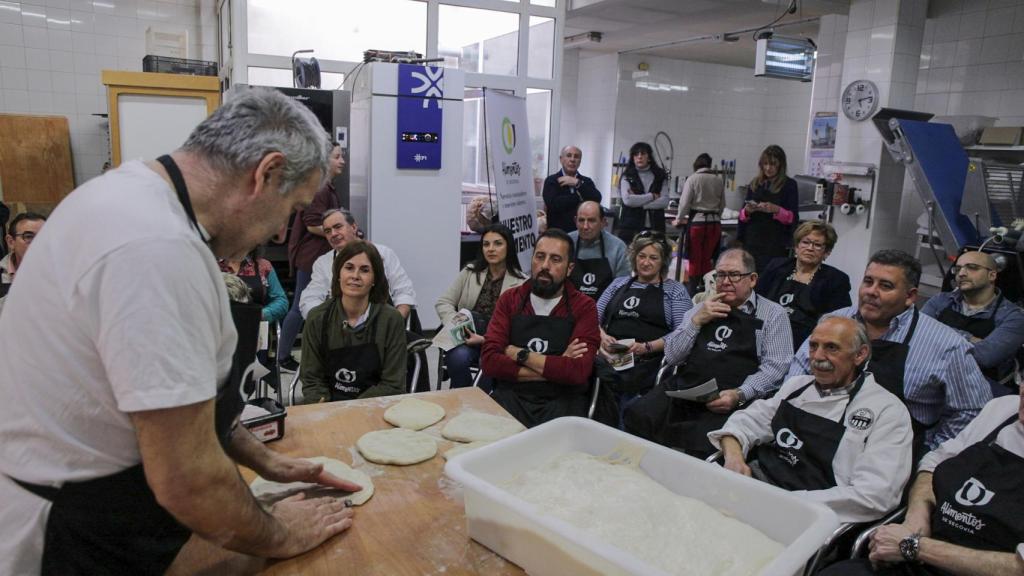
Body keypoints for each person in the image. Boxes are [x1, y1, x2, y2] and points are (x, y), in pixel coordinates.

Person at [0, 88, 362, 575]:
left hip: (103, 502)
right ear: (266, 173)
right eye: (293, 208)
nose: (281, 231)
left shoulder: (126, 193)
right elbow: (188, 480)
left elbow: (167, 395)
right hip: (72, 534)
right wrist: (280, 534)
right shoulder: (155, 249)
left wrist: (263, 460)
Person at [789, 249, 992, 459]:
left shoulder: (947, 346)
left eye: (885, 286)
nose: (871, 291)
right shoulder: (834, 320)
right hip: (814, 434)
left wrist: (929, 453)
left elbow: (972, 411)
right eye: (868, 281)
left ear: (910, 296)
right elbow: (799, 372)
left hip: (889, 454)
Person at [709, 317, 913, 524]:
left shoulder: (888, 412)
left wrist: (785, 502)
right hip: (755, 487)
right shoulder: (797, 386)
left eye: (831, 348)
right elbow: (747, 421)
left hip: (809, 515)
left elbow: (875, 496)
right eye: (813, 346)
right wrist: (734, 456)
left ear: (860, 354)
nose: (817, 357)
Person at [821, 385, 1024, 576]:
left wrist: (917, 547)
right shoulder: (1003, 410)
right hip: (919, 557)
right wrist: (917, 519)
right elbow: (933, 463)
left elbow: (1018, 567)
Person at [624, 248, 793, 457]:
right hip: (687, 388)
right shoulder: (701, 308)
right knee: (638, 414)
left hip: (732, 395)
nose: (725, 281)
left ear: (752, 279)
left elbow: (775, 369)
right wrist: (696, 321)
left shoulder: (773, 314)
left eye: (734, 275)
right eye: (720, 274)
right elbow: (673, 356)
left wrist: (739, 394)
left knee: (704, 444)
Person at [480, 228, 601, 427]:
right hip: (511, 397)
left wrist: (519, 354)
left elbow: (577, 372)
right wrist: (559, 363)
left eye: (555, 259)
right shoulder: (510, 300)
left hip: (563, 402)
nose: (545, 266)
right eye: (540, 256)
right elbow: (490, 362)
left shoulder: (584, 307)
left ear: (569, 268)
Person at [595, 231, 693, 427]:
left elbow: (683, 334)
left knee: (618, 379)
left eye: (653, 258)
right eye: (641, 256)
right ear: (634, 257)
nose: (646, 262)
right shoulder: (618, 284)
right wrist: (602, 336)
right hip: (610, 354)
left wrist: (646, 347)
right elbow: (592, 318)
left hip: (648, 359)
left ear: (663, 261)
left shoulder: (675, 291)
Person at [300, 240, 407, 403]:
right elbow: (312, 380)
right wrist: (325, 408)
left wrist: (353, 408)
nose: (355, 276)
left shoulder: (391, 320)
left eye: (364, 270)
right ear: (338, 274)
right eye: (349, 268)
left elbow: (393, 384)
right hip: (328, 406)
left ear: (374, 279)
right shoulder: (317, 318)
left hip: (375, 406)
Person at [435, 223, 528, 389]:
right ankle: (462, 399)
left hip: (499, 343)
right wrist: (458, 326)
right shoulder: (470, 272)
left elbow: (520, 326)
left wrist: (486, 340)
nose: (491, 249)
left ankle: (480, 404)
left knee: (488, 364)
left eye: (498, 243)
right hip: (466, 336)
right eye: (486, 244)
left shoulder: (522, 282)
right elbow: (444, 302)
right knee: (457, 358)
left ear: (509, 247)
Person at [278, 143, 345, 370]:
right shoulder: (320, 188)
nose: (342, 161)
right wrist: (338, 234)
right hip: (311, 257)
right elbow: (312, 224)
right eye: (337, 156)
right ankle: (282, 356)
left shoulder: (328, 188)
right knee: (299, 306)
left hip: (318, 256)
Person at [923, 250, 1024, 397]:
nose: (961, 273)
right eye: (958, 269)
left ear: (992, 275)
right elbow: (917, 334)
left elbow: (984, 357)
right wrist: (970, 338)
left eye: (972, 267)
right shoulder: (940, 301)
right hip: (931, 380)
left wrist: (936, 332)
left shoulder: (1013, 317)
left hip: (981, 392)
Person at [300, 208, 416, 321]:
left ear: (354, 227)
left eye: (338, 227)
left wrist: (394, 323)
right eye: (328, 231)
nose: (333, 234)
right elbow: (310, 299)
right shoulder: (323, 263)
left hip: (384, 323)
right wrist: (324, 324)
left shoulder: (384, 253)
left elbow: (404, 292)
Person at [757, 220, 852, 349]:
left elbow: (839, 321)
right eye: (805, 242)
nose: (810, 248)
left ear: (827, 252)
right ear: (796, 246)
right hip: (764, 333)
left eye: (817, 245)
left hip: (804, 344)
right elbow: (756, 299)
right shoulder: (777, 266)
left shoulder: (835, 279)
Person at [737, 145, 799, 274]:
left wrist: (776, 210)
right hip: (752, 241)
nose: (768, 168)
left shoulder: (789, 185)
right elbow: (742, 216)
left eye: (772, 164)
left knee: (770, 278)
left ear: (780, 165)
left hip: (774, 243)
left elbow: (792, 217)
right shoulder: (755, 183)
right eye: (765, 164)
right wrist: (748, 211)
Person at [672, 153, 725, 294]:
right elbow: (722, 204)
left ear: (696, 165)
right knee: (707, 259)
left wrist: (679, 218)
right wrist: (716, 216)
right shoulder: (719, 180)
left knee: (695, 258)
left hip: (698, 224)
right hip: (714, 224)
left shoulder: (693, 179)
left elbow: (684, 203)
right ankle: (707, 289)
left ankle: (692, 291)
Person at [567, 200, 630, 301]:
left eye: (591, 220)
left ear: (603, 222)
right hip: (569, 307)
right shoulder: (566, 243)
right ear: (575, 221)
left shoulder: (618, 247)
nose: (585, 226)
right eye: (581, 220)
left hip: (605, 309)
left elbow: (622, 288)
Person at [617, 141, 669, 244]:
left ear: (649, 157)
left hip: (655, 227)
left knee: (655, 257)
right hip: (631, 228)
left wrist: (640, 203)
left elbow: (664, 201)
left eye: (643, 154)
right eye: (636, 154)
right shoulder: (627, 176)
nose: (639, 157)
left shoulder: (660, 176)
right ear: (633, 158)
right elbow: (628, 200)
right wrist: (652, 196)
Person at [542, 145, 602, 233]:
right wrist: (580, 197)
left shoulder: (585, 181)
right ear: (561, 159)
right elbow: (554, 205)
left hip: (582, 233)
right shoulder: (552, 181)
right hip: (558, 234)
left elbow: (597, 198)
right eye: (569, 155)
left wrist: (577, 183)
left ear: (580, 161)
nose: (572, 159)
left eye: (576, 157)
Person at [218, 250, 289, 324]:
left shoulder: (263, 266)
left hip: (254, 326)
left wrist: (260, 314)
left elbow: (281, 301)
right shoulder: (209, 265)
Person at [0, 211, 46, 298]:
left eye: (43, 236)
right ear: (11, 242)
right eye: (28, 236)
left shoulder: (64, 275)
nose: (38, 243)